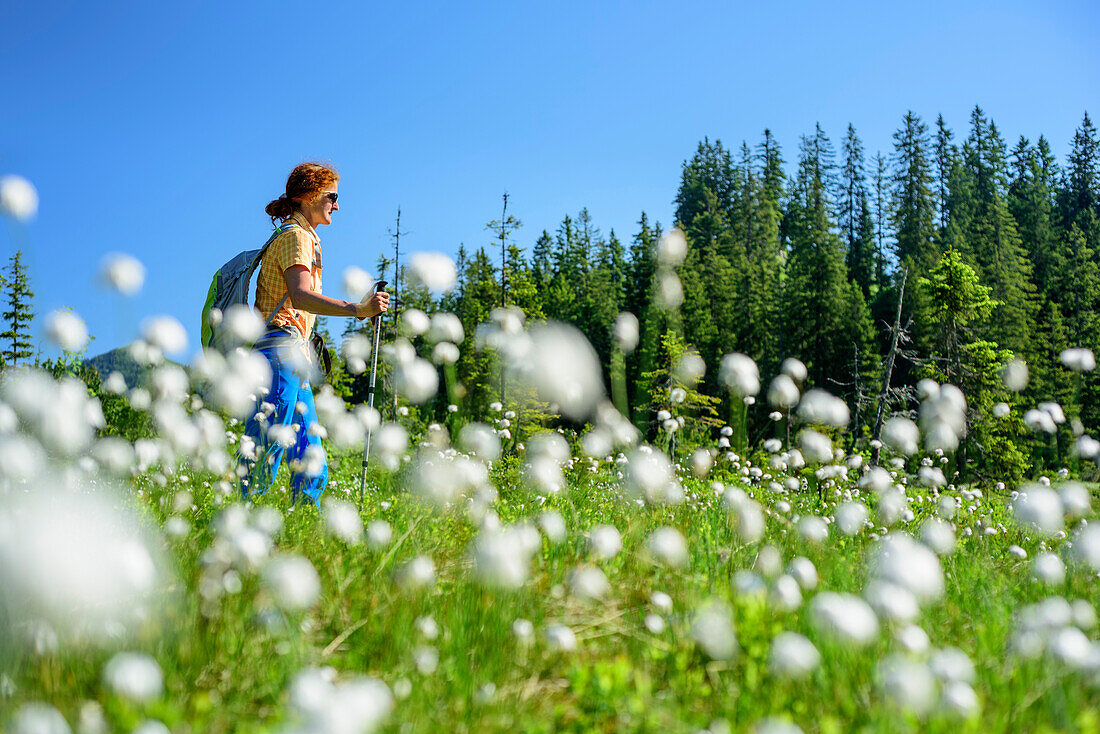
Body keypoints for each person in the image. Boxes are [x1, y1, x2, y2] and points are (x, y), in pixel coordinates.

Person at [239, 162, 389, 507]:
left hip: (294, 351)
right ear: (309, 196)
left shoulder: (302, 236)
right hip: (279, 348)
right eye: (331, 197)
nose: (336, 205)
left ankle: (303, 525)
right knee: (270, 434)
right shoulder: (296, 236)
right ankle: (246, 517)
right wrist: (358, 309)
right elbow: (300, 295)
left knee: (310, 451)